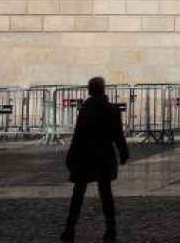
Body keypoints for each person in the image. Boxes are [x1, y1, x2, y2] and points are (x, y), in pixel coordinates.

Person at [62, 76, 130, 242]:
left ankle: (70, 229)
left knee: (78, 194)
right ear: (103, 89)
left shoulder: (86, 109)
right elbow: (118, 135)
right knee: (106, 193)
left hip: (85, 156)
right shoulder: (112, 109)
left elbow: (78, 135)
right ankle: (111, 229)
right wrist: (123, 152)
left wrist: (71, 155)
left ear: (90, 90)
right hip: (104, 157)